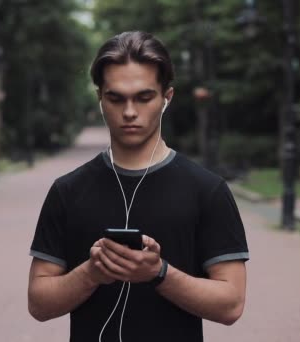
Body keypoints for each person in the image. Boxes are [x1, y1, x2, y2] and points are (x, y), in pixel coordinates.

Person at [28, 31, 249, 342]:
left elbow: (231, 305)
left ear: (166, 98)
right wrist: (91, 273)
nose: (129, 112)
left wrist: (158, 273)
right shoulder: (68, 191)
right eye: (116, 98)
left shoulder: (207, 190)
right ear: (100, 99)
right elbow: (38, 303)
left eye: (143, 97)